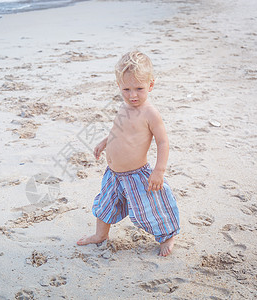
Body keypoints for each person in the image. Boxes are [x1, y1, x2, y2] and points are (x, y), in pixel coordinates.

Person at [77, 51, 180, 256]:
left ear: (151, 85)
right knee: (105, 205)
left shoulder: (150, 113)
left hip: (136, 175)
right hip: (113, 174)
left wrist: (159, 171)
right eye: (127, 89)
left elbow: (162, 142)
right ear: (119, 86)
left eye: (139, 89)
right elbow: (119, 131)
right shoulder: (124, 106)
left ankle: (167, 235)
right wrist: (105, 142)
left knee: (151, 208)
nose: (133, 95)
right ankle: (100, 235)